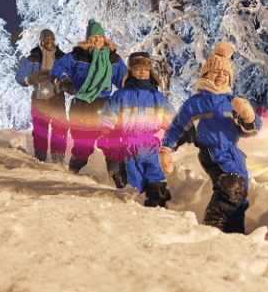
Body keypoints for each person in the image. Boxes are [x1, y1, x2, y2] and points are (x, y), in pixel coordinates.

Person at [160, 42, 261, 233]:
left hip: (234, 154)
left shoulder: (232, 102)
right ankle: (211, 227)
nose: (221, 77)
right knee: (231, 185)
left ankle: (234, 237)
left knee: (239, 197)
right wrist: (166, 149)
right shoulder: (195, 103)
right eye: (216, 73)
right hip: (212, 152)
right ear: (206, 75)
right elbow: (178, 128)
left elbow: (252, 129)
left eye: (225, 75)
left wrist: (249, 117)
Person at [52, 19, 127, 179]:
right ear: (88, 41)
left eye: (99, 37)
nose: (97, 41)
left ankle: (118, 177)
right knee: (83, 146)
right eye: (93, 38)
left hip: (105, 106)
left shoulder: (113, 59)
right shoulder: (77, 56)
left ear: (104, 39)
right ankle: (73, 171)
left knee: (112, 142)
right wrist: (65, 79)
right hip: (81, 105)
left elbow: (123, 80)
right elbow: (59, 66)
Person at [101, 52, 177, 207]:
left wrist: (162, 134)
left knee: (156, 181)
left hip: (152, 148)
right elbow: (107, 117)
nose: (142, 72)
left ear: (150, 72)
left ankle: (160, 211)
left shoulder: (156, 96)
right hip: (129, 149)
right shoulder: (121, 95)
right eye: (138, 69)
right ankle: (135, 216)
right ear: (131, 72)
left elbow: (171, 119)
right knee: (133, 188)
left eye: (146, 69)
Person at [15, 28, 68, 163]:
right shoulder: (33, 58)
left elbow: (70, 72)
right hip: (39, 98)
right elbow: (19, 77)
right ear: (41, 41)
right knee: (40, 131)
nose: (50, 43)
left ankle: (58, 158)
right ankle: (40, 159)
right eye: (47, 40)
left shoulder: (61, 57)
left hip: (57, 97)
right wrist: (33, 77)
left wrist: (67, 82)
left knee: (60, 128)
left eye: (52, 40)